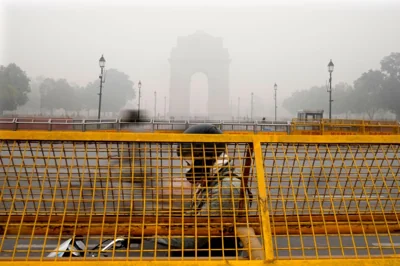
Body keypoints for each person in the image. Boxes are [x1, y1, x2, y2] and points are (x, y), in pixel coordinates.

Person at [156, 124, 254, 257]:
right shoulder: (213, 179)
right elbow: (192, 217)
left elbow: (193, 239)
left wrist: (149, 235)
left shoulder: (226, 188)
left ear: (205, 155)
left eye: (189, 160)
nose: (188, 166)